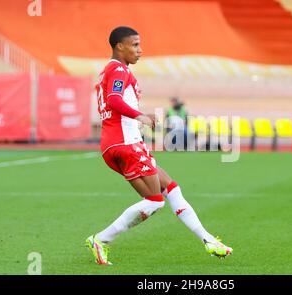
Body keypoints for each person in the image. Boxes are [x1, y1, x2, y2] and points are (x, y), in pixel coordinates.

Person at [86, 26, 232, 265]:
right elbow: (113, 99)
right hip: (126, 142)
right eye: (134, 45)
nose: (140, 50)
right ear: (119, 46)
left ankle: (208, 240)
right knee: (155, 201)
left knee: (171, 188)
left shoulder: (107, 71)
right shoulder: (119, 69)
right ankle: (101, 239)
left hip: (114, 143)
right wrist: (139, 116)